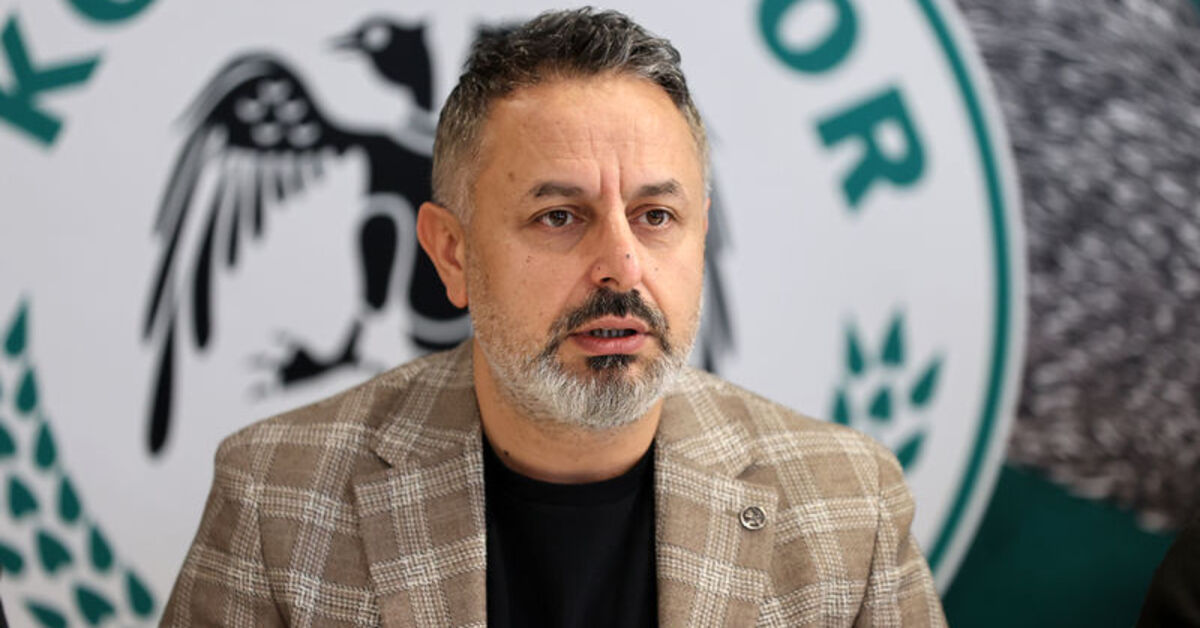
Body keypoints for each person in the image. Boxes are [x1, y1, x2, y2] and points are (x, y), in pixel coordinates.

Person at [162, 8, 946, 626]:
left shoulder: (850, 505)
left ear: (700, 234)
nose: (622, 267)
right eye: (560, 217)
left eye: (656, 216)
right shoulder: (277, 495)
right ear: (451, 254)